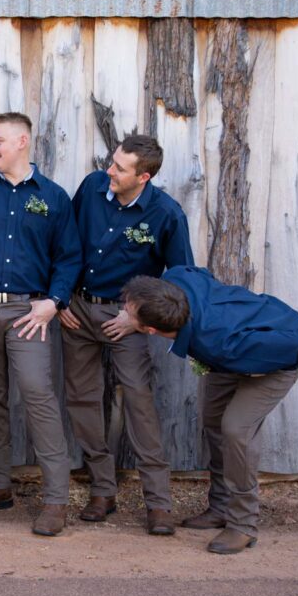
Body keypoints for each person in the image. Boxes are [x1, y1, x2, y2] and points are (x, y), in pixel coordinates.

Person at [121, 268, 298, 554]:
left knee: (236, 430)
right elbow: (196, 271)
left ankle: (243, 524)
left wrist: (250, 368)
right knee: (212, 420)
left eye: (129, 311)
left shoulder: (218, 344)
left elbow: (293, 347)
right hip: (231, 350)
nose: (124, 310)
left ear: (150, 330)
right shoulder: (177, 279)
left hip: (277, 356)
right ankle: (221, 506)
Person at [0, 113, 82, 536]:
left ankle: (55, 500)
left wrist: (54, 302)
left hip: (30, 314)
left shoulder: (53, 196)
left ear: (23, 141)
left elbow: (69, 258)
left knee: (37, 396)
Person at [62, 134, 194, 535]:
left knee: (138, 403)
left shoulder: (166, 215)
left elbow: (182, 280)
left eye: (119, 167)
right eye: (112, 162)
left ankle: (159, 503)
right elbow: (66, 244)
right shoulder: (91, 188)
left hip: (127, 319)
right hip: (78, 311)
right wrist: (62, 296)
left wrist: (136, 320)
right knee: (82, 399)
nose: (110, 171)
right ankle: (102, 489)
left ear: (144, 176)